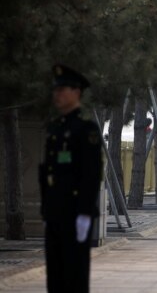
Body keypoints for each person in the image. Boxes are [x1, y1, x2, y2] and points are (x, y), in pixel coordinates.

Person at [39, 64, 103, 293]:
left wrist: (85, 213)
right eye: (55, 90)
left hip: (75, 212)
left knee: (74, 274)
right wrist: (46, 210)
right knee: (54, 275)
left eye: (63, 89)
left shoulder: (87, 130)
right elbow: (46, 172)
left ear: (77, 92)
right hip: (55, 211)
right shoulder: (55, 129)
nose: (57, 94)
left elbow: (91, 174)